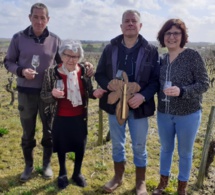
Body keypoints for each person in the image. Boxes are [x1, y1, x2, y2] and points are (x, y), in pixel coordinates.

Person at [4, 3, 93, 182]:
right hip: (26, 92)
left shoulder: (55, 39)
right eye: (35, 17)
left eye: (42, 17)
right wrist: (21, 71)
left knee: (49, 131)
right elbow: (8, 62)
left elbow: (67, 62)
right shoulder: (18, 37)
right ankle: (28, 166)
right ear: (30, 17)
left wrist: (84, 65)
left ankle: (46, 165)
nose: (39, 21)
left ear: (48, 19)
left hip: (50, 95)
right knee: (28, 131)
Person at [95, 10, 159, 195]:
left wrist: (143, 96)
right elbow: (99, 73)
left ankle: (140, 182)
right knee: (117, 143)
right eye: (127, 21)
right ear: (121, 26)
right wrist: (108, 84)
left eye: (134, 21)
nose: (130, 24)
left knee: (139, 145)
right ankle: (118, 177)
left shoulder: (151, 50)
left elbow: (155, 79)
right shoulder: (110, 49)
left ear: (140, 26)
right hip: (114, 105)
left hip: (139, 107)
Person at [152, 19, 209, 195]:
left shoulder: (192, 56)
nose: (172, 37)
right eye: (168, 33)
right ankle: (162, 183)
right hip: (164, 113)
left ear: (182, 36)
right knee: (165, 149)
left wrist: (182, 91)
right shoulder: (161, 59)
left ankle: (181, 188)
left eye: (176, 33)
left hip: (188, 113)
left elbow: (204, 83)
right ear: (163, 37)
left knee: (185, 152)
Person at [40, 39, 106, 189]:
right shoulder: (51, 72)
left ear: (80, 57)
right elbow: (43, 96)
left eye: (75, 56)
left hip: (79, 116)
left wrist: (95, 93)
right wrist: (52, 94)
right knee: (61, 145)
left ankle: (77, 173)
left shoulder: (83, 71)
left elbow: (89, 91)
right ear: (61, 56)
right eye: (68, 55)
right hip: (60, 116)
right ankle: (62, 173)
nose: (71, 59)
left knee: (79, 145)